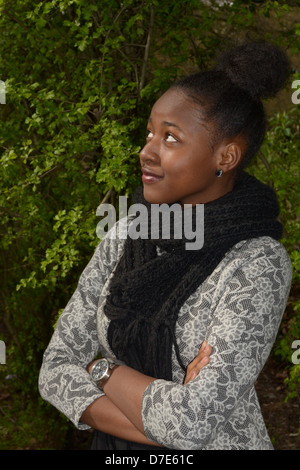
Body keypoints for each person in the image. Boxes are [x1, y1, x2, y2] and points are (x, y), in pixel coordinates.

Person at [39, 41, 293, 450]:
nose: (146, 151)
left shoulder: (256, 263)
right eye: (150, 133)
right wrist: (163, 420)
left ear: (225, 156)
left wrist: (99, 369)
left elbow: (194, 422)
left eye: (170, 138)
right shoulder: (126, 234)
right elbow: (53, 371)